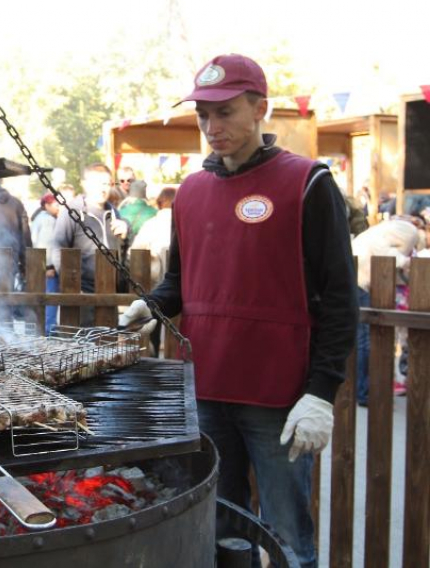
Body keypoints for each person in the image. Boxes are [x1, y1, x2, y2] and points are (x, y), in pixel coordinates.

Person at [119, 54, 357, 567]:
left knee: (288, 534)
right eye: (204, 115)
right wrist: (152, 304)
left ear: (260, 109)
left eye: (225, 112)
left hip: (279, 397)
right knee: (222, 530)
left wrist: (320, 393)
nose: (212, 127)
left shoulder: (308, 183)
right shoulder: (190, 192)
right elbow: (184, 283)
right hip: (205, 390)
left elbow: (340, 301)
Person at [351, 218, 424, 404]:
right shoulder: (387, 238)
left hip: (361, 279)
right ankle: (363, 390)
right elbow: (387, 253)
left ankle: (364, 388)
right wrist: (406, 261)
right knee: (365, 339)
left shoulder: (376, 234)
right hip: (362, 281)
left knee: (364, 338)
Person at [52, 163, 129, 326]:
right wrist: (72, 285)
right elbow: (58, 250)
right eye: (98, 183)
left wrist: (126, 233)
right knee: (78, 347)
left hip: (109, 295)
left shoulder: (115, 213)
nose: (103, 189)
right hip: (80, 294)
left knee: (107, 347)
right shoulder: (71, 211)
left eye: (107, 184)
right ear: (85, 184)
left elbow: (123, 252)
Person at [31, 192, 61, 334]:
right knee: (51, 298)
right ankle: (50, 329)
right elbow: (47, 245)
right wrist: (49, 266)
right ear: (47, 205)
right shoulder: (48, 220)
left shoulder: (39, 218)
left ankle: (47, 328)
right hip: (48, 267)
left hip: (41, 265)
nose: (58, 207)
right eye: (56, 204)